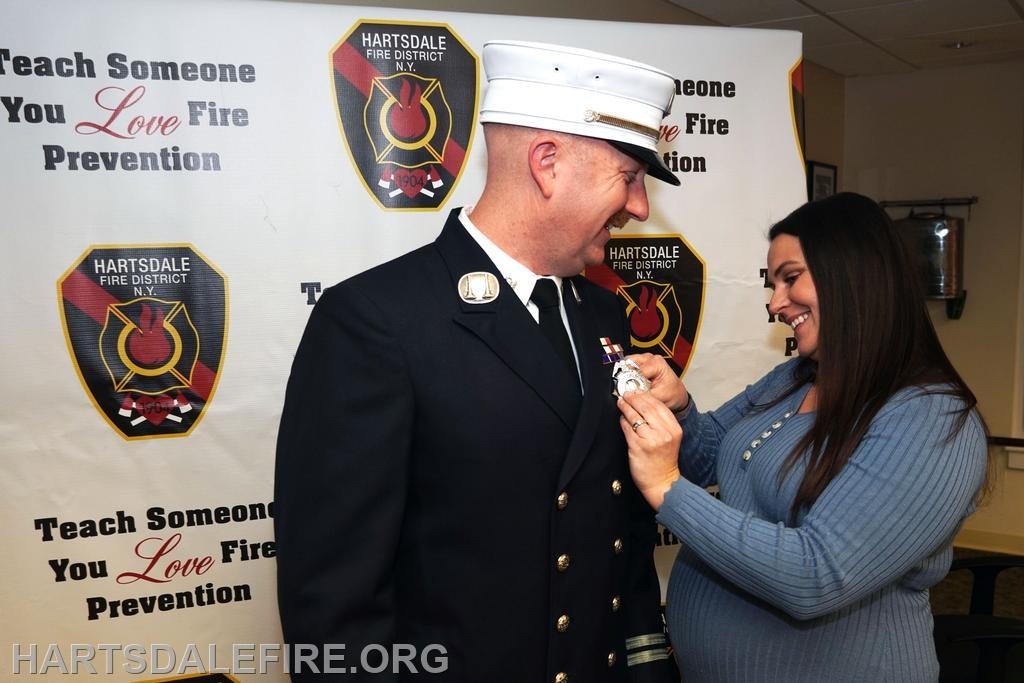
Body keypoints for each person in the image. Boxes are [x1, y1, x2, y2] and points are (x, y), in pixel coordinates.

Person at [274, 40, 681, 682]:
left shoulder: (602, 318)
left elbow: (616, 544)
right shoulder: (376, 323)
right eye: (629, 179)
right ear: (547, 164)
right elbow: (334, 609)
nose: (639, 207)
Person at [616, 192, 990, 682]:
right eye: (773, 285)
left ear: (853, 275)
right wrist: (681, 406)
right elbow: (709, 458)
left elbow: (817, 576)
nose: (775, 303)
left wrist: (667, 489)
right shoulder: (795, 378)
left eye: (791, 278)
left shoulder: (933, 420)